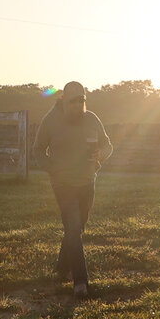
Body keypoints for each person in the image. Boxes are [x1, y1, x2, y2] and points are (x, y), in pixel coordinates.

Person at [33, 81, 113, 299]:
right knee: (74, 225)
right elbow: (38, 150)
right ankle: (80, 282)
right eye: (73, 101)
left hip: (87, 181)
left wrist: (100, 155)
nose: (78, 105)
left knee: (75, 229)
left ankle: (60, 268)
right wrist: (52, 169)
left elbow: (108, 145)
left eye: (82, 100)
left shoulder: (92, 119)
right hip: (63, 183)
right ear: (63, 101)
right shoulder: (51, 121)